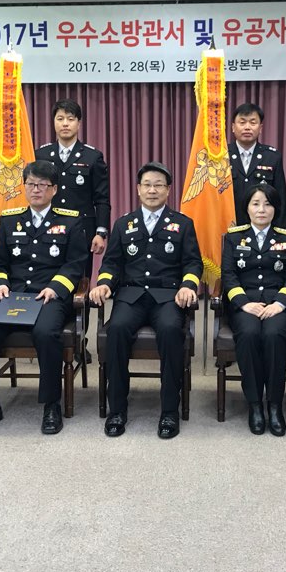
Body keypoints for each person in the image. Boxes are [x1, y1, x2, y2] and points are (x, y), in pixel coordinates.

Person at [0, 160, 89, 436]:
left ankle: (51, 404)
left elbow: (75, 263)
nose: (36, 189)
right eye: (31, 184)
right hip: (13, 296)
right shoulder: (9, 219)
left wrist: (56, 287)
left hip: (49, 297)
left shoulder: (70, 221)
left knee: (46, 333)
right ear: (24, 187)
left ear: (54, 189)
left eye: (42, 185)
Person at [89, 162, 202, 440]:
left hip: (167, 297)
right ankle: (117, 410)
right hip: (131, 296)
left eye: (158, 185)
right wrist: (104, 283)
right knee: (116, 330)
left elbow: (193, 262)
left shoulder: (183, 223)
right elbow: (112, 263)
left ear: (168, 190)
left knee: (171, 331)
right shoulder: (123, 223)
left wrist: (188, 285)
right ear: (138, 189)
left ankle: (169, 411)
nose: (152, 190)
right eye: (147, 185)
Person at [221, 183, 286, 436]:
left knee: (274, 335)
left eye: (267, 204)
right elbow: (229, 275)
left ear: (276, 209)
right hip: (244, 303)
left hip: (279, 304)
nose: (262, 209)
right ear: (247, 208)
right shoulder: (233, 237)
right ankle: (255, 404)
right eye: (255, 204)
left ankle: (274, 405)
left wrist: (279, 304)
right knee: (249, 334)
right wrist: (244, 303)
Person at [35, 99, 111, 264]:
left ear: (79, 123)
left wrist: (100, 233)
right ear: (53, 122)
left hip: (82, 230)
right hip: (47, 228)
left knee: (81, 276)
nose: (65, 124)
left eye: (70, 119)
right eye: (60, 118)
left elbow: (101, 199)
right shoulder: (41, 155)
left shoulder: (92, 157)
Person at [228, 102, 286, 227]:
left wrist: (281, 233)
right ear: (233, 127)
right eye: (242, 122)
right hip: (229, 226)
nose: (247, 127)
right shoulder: (221, 157)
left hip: (262, 228)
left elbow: (280, 199)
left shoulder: (272, 157)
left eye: (253, 123)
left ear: (260, 128)